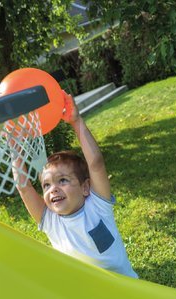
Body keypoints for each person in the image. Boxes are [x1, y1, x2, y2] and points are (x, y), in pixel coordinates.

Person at [12, 91, 138, 278]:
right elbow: (23, 186)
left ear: (85, 187)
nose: (53, 188)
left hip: (125, 289)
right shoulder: (49, 220)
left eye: (62, 180)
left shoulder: (97, 206)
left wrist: (76, 122)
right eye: (46, 185)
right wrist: (15, 145)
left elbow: (95, 163)